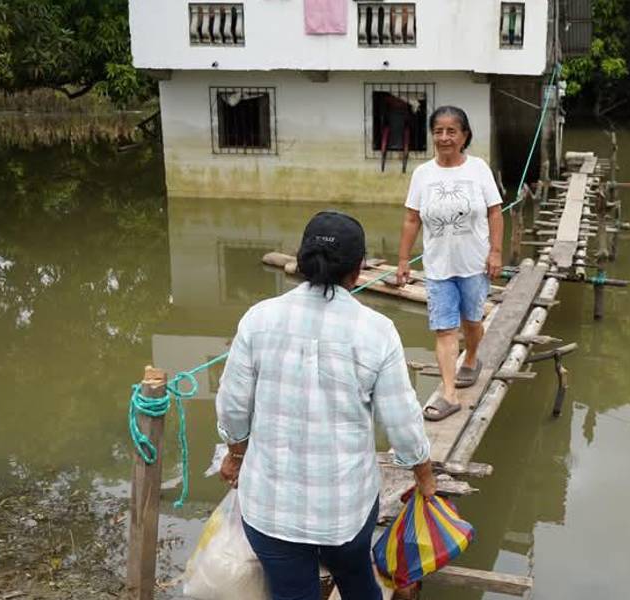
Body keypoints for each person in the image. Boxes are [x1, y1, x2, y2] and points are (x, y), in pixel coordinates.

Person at [215, 211, 437, 600]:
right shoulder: (376, 331)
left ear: (300, 261)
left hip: (270, 511)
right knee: (356, 576)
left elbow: (233, 406)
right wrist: (423, 472)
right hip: (345, 512)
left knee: (291, 592)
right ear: (358, 270)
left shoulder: (258, 319)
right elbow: (402, 423)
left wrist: (235, 453)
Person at [395, 106, 503, 421]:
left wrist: (495, 252)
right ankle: (449, 393)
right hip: (438, 267)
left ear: (464, 135)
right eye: (438, 131)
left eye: (451, 131)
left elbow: (495, 212)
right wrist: (403, 259)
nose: (444, 137)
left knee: (472, 322)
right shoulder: (423, 174)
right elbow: (411, 218)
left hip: (473, 264)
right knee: (444, 329)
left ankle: (471, 357)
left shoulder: (478, 169)